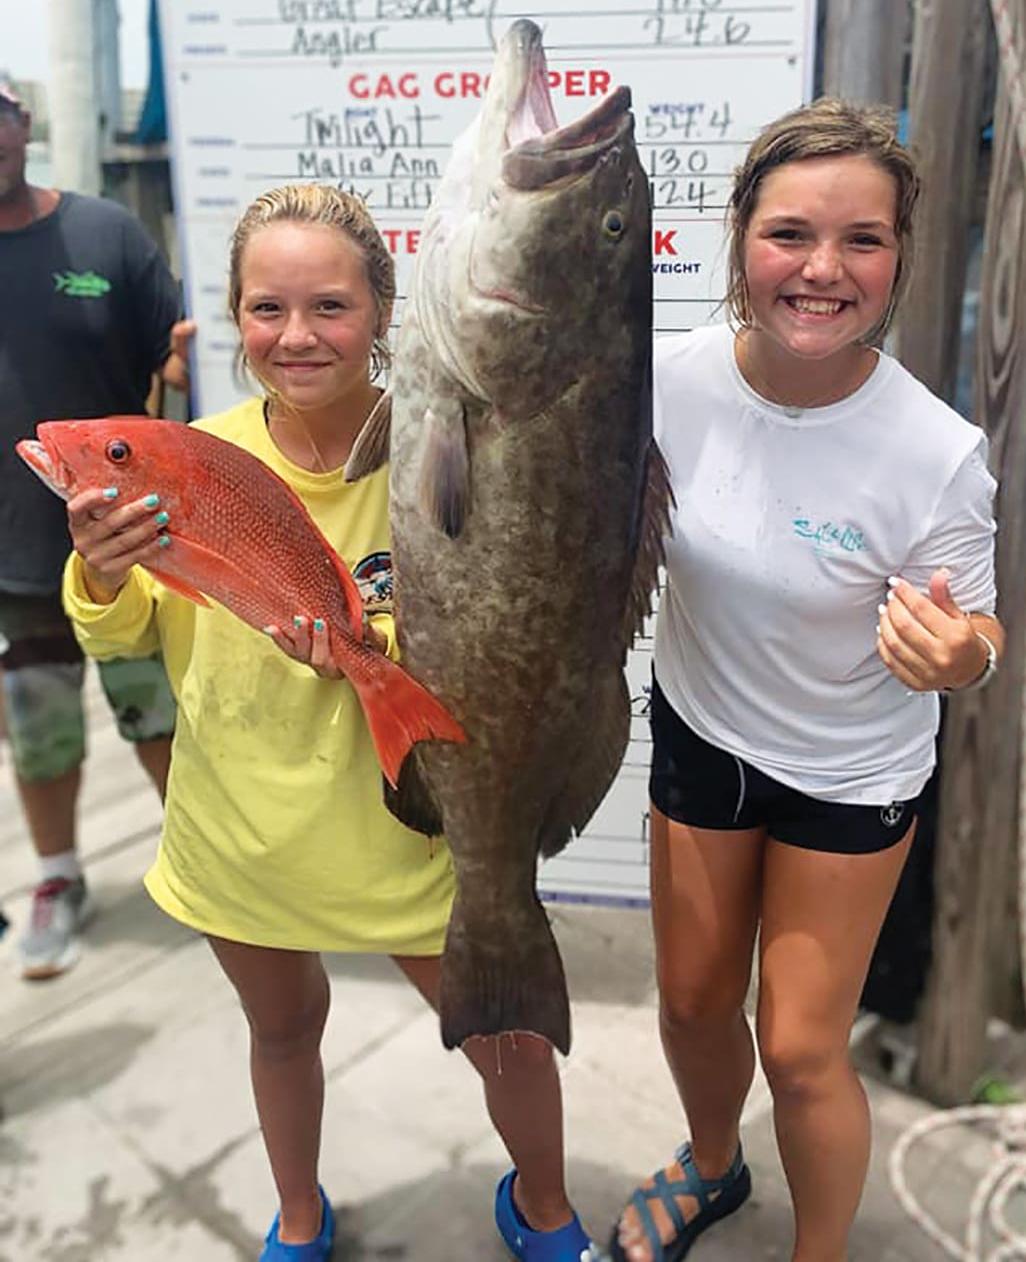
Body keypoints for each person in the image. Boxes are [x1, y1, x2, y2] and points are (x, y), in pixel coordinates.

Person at [61, 183, 599, 1262]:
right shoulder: (179, 455)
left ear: (384, 311)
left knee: (504, 1035)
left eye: (330, 307)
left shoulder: (449, 452)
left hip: (408, 830)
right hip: (241, 831)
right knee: (281, 1029)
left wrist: (376, 649)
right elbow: (120, 640)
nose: (296, 334)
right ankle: (300, 1217)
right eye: (267, 308)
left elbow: (503, 627)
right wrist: (100, 573)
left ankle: (545, 1205)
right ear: (234, 315)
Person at [611, 100, 1005, 1262]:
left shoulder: (935, 450)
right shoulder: (663, 382)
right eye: (790, 232)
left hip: (851, 769)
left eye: (862, 239)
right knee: (690, 1000)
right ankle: (712, 1163)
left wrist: (962, 655)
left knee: (798, 1048)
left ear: (899, 255)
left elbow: (979, 625)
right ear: (741, 234)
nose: (823, 269)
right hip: (703, 731)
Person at [0, 78, 190, 981]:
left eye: (0, 116)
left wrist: (197, 356)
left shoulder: (106, 235)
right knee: (40, 731)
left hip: (131, 544)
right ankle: (58, 877)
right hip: (14, 555)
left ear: (24, 123)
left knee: (158, 716)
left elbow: (180, 360)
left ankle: (207, 864)